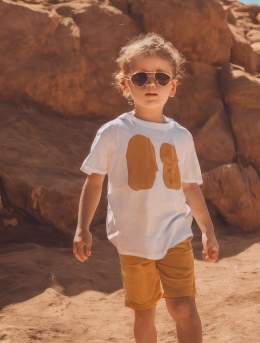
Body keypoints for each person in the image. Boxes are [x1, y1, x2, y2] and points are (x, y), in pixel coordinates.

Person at [72, 32, 219, 343]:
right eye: (141, 77)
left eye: (161, 77)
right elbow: (94, 180)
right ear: (125, 84)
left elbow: (191, 188)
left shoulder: (181, 137)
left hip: (176, 234)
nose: (151, 84)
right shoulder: (112, 132)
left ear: (173, 86)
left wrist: (207, 230)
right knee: (145, 311)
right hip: (133, 239)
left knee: (182, 306)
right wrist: (82, 228)